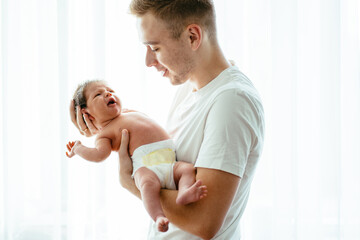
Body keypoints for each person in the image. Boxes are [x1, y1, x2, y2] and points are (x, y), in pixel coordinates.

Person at [70, 0, 264, 239]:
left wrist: (131, 183)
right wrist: (101, 127)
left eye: (156, 48)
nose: (148, 61)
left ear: (193, 36)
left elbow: (204, 221)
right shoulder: (189, 87)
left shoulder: (231, 101)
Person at [66, 80, 208, 232]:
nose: (108, 93)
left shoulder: (128, 112)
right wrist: (79, 149)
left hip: (170, 161)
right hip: (147, 167)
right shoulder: (104, 134)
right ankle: (158, 216)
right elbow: (99, 155)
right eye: (98, 94)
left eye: (110, 90)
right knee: (147, 185)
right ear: (86, 113)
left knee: (187, 169)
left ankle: (184, 191)